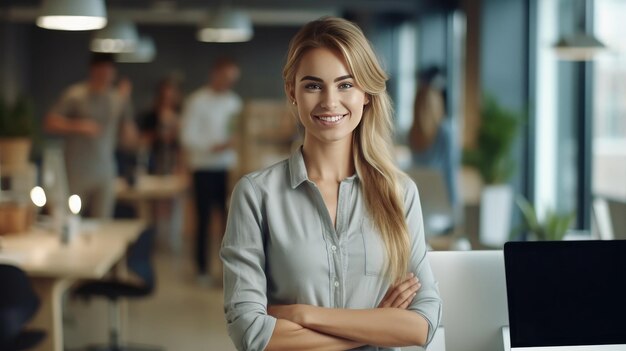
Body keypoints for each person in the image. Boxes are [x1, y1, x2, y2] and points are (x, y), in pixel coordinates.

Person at [221, 17, 441, 351]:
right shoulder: (255, 195)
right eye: (312, 85)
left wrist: (304, 315)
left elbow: (422, 324)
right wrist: (375, 324)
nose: (329, 101)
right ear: (291, 92)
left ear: (366, 93)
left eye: (345, 85)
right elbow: (250, 332)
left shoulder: (400, 193)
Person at [44, 53, 137, 219]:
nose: (105, 77)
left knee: (102, 222)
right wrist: (79, 126)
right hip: (77, 169)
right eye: (101, 72)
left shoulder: (116, 98)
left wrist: (126, 101)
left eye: (108, 73)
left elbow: (129, 137)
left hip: (105, 170)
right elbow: (50, 122)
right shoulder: (75, 95)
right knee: (70, 218)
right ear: (92, 71)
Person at [180, 58, 242, 283]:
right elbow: (187, 136)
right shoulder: (197, 101)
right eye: (225, 77)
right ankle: (202, 268)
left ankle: (229, 271)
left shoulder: (234, 102)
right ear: (215, 74)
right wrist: (212, 146)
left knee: (232, 222)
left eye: (232, 79)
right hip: (204, 168)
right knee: (204, 221)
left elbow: (236, 132)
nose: (228, 82)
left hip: (228, 168)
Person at [137, 77, 184, 252]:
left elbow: (183, 144)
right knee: (152, 204)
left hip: (172, 164)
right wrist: (159, 132)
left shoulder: (181, 115)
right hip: (153, 163)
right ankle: (152, 238)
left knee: (174, 205)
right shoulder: (150, 116)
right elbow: (141, 141)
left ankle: (171, 239)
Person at [408, 66, 460, 216]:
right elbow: (450, 169)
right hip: (441, 197)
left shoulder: (412, 133)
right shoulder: (446, 131)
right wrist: (455, 206)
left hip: (420, 195)